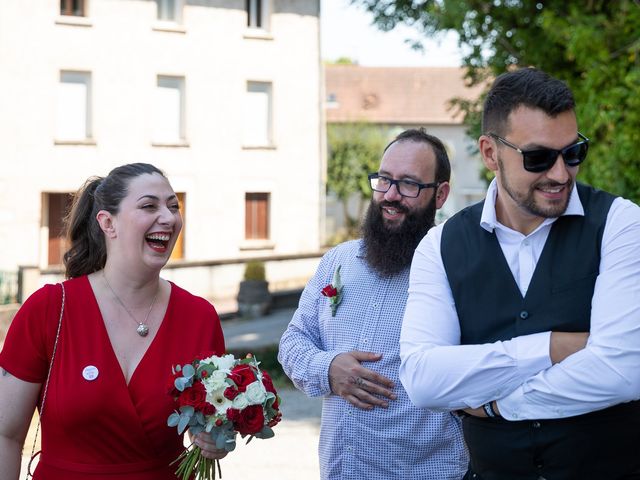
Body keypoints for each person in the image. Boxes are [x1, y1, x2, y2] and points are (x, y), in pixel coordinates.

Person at [400, 67, 640, 479]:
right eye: (539, 157)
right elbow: (423, 379)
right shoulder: (440, 246)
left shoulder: (621, 224)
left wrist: (498, 404)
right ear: (491, 153)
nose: (561, 173)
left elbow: (624, 372)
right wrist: (550, 347)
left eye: (573, 152)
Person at [0, 163, 228, 479]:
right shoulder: (49, 309)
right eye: (150, 206)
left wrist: (214, 440)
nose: (169, 217)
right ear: (108, 223)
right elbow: (6, 435)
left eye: (173, 206)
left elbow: (203, 425)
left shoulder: (199, 317)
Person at [278, 128, 469, 480]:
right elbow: (292, 343)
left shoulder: (459, 271)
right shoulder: (337, 261)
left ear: (440, 194)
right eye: (384, 180)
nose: (390, 196)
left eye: (409, 184)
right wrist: (328, 368)